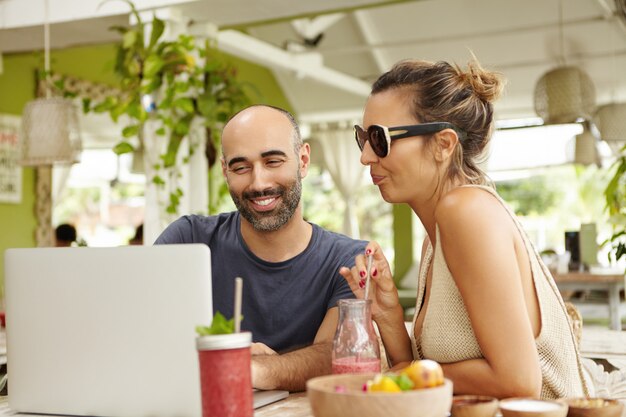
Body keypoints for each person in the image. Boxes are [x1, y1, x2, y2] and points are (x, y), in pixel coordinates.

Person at [339, 59, 589, 399]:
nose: (366, 156)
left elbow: (517, 382)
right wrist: (389, 316)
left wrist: (404, 373)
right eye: (363, 138)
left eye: (379, 139)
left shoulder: (467, 212)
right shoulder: (436, 235)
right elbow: (434, 382)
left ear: (444, 144)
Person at [155, 105, 366, 391]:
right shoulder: (189, 239)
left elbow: (335, 356)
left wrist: (255, 369)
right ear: (225, 171)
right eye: (241, 167)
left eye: (273, 162)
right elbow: (146, 333)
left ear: (303, 160)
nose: (258, 183)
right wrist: (274, 367)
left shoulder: (347, 260)